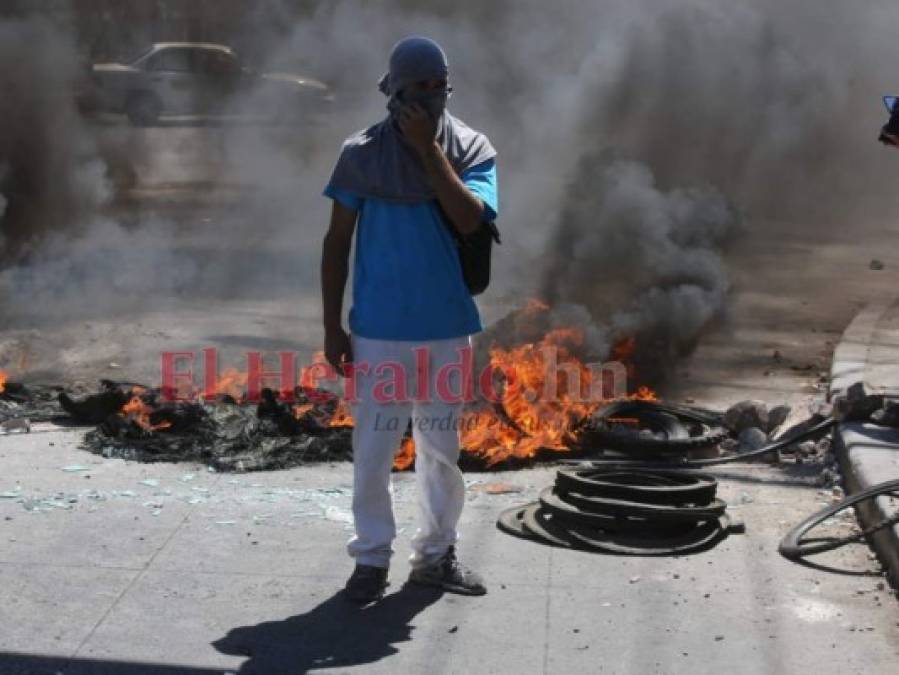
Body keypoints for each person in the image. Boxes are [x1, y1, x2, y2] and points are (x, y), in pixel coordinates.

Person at [320, 36, 498, 603]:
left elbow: (471, 220)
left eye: (439, 84)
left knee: (440, 453)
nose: (430, 96)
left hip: (447, 329)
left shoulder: (470, 148)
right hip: (378, 332)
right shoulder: (360, 154)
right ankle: (370, 561)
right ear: (394, 90)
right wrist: (332, 326)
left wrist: (428, 151)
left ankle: (436, 557)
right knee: (373, 451)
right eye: (418, 86)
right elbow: (336, 244)